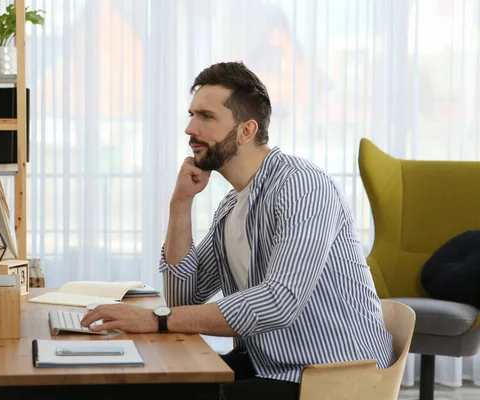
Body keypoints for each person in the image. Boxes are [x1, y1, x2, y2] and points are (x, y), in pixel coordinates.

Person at [82, 61, 395, 400]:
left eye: (206, 117)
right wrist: (181, 204)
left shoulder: (301, 186)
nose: (189, 128)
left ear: (246, 131)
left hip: (329, 377)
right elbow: (183, 297)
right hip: (270, 365)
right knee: (146, 379)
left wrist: (156, 319)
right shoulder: (233, 205)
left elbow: (279, 301)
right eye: (192, 115)